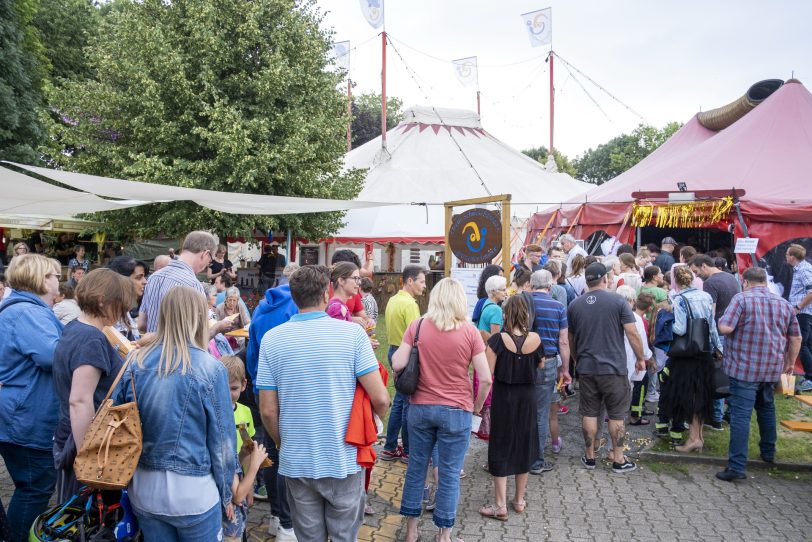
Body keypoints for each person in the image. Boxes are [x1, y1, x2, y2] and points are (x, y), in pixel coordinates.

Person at [257, 265, 390, 541]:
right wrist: (374, 424)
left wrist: (283, 441)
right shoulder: (353, 335)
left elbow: (268, 410)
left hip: (297, 458)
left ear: (294, 297)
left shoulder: (272, 340)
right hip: (344, 454)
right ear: (327, 294)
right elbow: (380, 397)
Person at [114, 286, 237, 541]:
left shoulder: (135, 362)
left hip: (144, 488)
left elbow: (119, 423)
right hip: (194, 492)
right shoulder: (209, 368)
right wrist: (227, 494)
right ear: (198, 316)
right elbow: (223, 441)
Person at [392, 278, 491, 542]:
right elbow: (486, 377)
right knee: (448, 474)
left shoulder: (419, 326)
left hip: (420, 409)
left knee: (416, 468)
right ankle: (444, 535)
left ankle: (412, 532)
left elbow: (398, 362)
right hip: (457, 411)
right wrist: (477, 407)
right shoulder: (470, 332)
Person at [52, 268, 137, 501]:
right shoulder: (92, 338)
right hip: (83, 441)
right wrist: (89, 460)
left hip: (68, 432)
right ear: (102, 301)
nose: (123, 312)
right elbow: (80, 400)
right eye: (120, 304)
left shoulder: (75, 328)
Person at [716, 267, 801, 481]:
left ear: (745, 281)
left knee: (741, 416)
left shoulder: (741, 299)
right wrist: (790, 363)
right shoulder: (784, 304)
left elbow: (725, 327)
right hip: (771, 367)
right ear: (765, 281)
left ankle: (736, 466)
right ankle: (768, 453)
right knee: (766, 408)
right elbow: (796, 338)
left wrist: (717, 321)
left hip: (744, 368)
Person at [0, 254, 63, 541]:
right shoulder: (28, 312)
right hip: (26, 415)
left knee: (33, 485)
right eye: (54, 275)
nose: (57, 280)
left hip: (22, 411)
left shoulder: (23, 309)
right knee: (34, 487)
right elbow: (53, 356)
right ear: (40, 279)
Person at [568, 263, 644, 473]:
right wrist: (640, 357)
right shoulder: (618, 301)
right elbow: (632, 332)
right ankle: (618, 459)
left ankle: (590, 456)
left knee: (589, 412)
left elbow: (571, 338)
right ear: (605, 279)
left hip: (587, 368)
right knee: (617, 415)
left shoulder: (575, 304)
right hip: (614, 369)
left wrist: (577, 359)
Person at [245, 266, 298, 538]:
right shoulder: (296, 306)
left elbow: (253, 348)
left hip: (259, 385)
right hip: (283, 387)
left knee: (269, 451)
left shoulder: (263, 305)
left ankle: (277, 517)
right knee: (285, 453)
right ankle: (287, 524)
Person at [479, 295, 540, 521]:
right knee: (524, 444)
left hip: (504, 397)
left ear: (505, 314)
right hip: (528, 397)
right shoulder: (536, 339)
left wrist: (479, 404)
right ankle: (519, 500)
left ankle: (500, 504)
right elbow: (540, 364)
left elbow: (487, 373)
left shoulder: (497, 341)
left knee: (501, 445)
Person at [661, 265, 723, 454]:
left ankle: (693, 439)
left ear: (676, 281)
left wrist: (666, 315)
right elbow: (711, 326)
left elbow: (679, 329)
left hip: (686, 356)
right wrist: (718, 347)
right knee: (701, 395)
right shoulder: (705, 296)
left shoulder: (678, 299)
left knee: (690, 397)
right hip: (703, 352)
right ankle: (699, 437)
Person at [138, 230, 232, 337]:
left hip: (153, 351)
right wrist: (218, 327)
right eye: (210, 259)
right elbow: (199, 337)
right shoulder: (194, 285)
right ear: (205, 254)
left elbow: (141, 324)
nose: (208, 264)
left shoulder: (154, 277)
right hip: (180, 352)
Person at [219, 356, 269, 542]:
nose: (228, 394)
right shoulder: (215, 414)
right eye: (223, 388)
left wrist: (250, 483)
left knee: (241, 518)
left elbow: (248, 449)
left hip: (240, 473)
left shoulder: (245, 412)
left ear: (243, 385)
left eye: (233, 388)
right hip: (225, 475)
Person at [381, 265, 426, 462]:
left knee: (399, 402)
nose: (424, 286)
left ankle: (390, 446)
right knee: (407, 403)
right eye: (422, 281)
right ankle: (408, 450)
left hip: (393, 349)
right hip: (406, 353)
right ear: (410, 281)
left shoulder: (393, 299)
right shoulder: (410, 305)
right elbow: (418, 335)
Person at [691, 253, 742, 429]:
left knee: (716, 374)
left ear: (704, 265)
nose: (696, 275)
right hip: (733, 332)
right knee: (730, 374)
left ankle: (716, 419)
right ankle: (729, 414)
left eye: (696, 271)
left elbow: (709, 313)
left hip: (718, 333)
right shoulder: (730, 277)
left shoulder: (710, 283)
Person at [528, 269, 570, 474]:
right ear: (550, 286)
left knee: (520, 409)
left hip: (520, 361)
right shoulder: (558, 307)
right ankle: (536, 461)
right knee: (541, 413)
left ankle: (518, 455)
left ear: (530, 284)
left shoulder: (519, 302)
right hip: (548, 362)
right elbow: (563, 340)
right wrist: (566, 369)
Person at [474, 275, 507, 440]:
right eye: (503, 289)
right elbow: (495, 339)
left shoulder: (485, 304)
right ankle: (486, 429)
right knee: (489, 391)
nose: (505, 292)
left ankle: (480, 426)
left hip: (481, 352)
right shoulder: (496, 309)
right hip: (489, 354)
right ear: (493, 291)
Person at [615, 286, 654, 426]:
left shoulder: (610, 314)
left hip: (612, 360)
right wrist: (643, 358)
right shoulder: (635, 318)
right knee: (635, 387)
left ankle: (613, 414)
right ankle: (633, 416)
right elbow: (640, 341)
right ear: (632, 301)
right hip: (629, 360)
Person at [785, 244, 812, 392]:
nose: (786, 257)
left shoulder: (803, 270)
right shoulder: (801, 268)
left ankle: (810, 377)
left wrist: (798, 307)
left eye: (787, 254)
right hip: (805, 313)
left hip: (803, 313)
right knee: (807, 344)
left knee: (801, 345)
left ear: (793, 257)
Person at [107, 256, 149, 342]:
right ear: (122, 280)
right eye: (138, 277)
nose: (145, 281)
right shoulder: (112, 313)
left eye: (144, 276)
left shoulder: (124, 309)